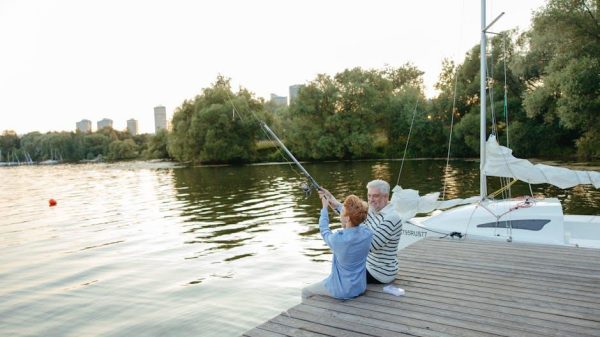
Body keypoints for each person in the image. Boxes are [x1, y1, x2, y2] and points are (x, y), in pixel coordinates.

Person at [320, 179, 403, 284]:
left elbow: (369, 246)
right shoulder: (373, 209)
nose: (371, 199)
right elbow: (354, 217)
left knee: (340, 272)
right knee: (340, 269)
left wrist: (343, 239)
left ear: (386, 196)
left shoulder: (392, 218)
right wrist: (332, 200)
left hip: (380, 272)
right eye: (369, 196)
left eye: (375, 196)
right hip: (366, 265)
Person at [301, 193, 372, 300]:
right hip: (360, 287)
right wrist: (335, 204)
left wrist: (324, 208)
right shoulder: (367, 233)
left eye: (342, 211)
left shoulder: (338, 239)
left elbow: (324, 230)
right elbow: (356, 220)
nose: (340, 214)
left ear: (347, 218)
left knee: (305, 291)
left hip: (342, 290)